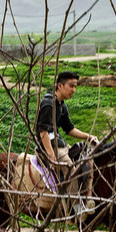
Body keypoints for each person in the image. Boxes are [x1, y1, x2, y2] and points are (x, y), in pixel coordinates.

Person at [36, 71, 97, 222]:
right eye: (71, 86)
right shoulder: (48, 104)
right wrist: (50, 153)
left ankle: (88, 197)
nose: (74, 90)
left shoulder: (61, 105)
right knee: (71, 168)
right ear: (60, 86)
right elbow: (42, 131)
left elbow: (69, 129)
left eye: (75, 86)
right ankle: (75, 209)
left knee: (87, 158)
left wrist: (88, 136)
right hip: (49, 146)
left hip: (60, 144)